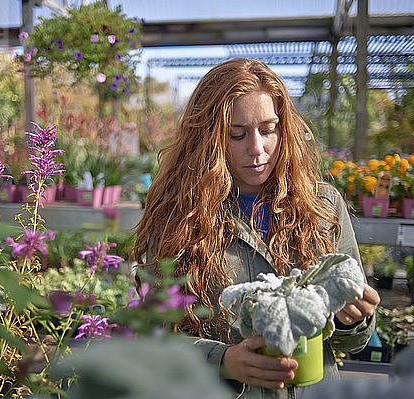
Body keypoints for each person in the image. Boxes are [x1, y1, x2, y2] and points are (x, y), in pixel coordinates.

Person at [132, 58, 379, 398]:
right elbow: (151, 335)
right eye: (237, 134)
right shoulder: (179, 216)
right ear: (208, 138)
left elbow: (356, 341)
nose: (257, 149)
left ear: (284, 129)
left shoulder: (322, 206)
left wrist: (356, 319)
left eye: (268, 130)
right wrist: (223, 360)